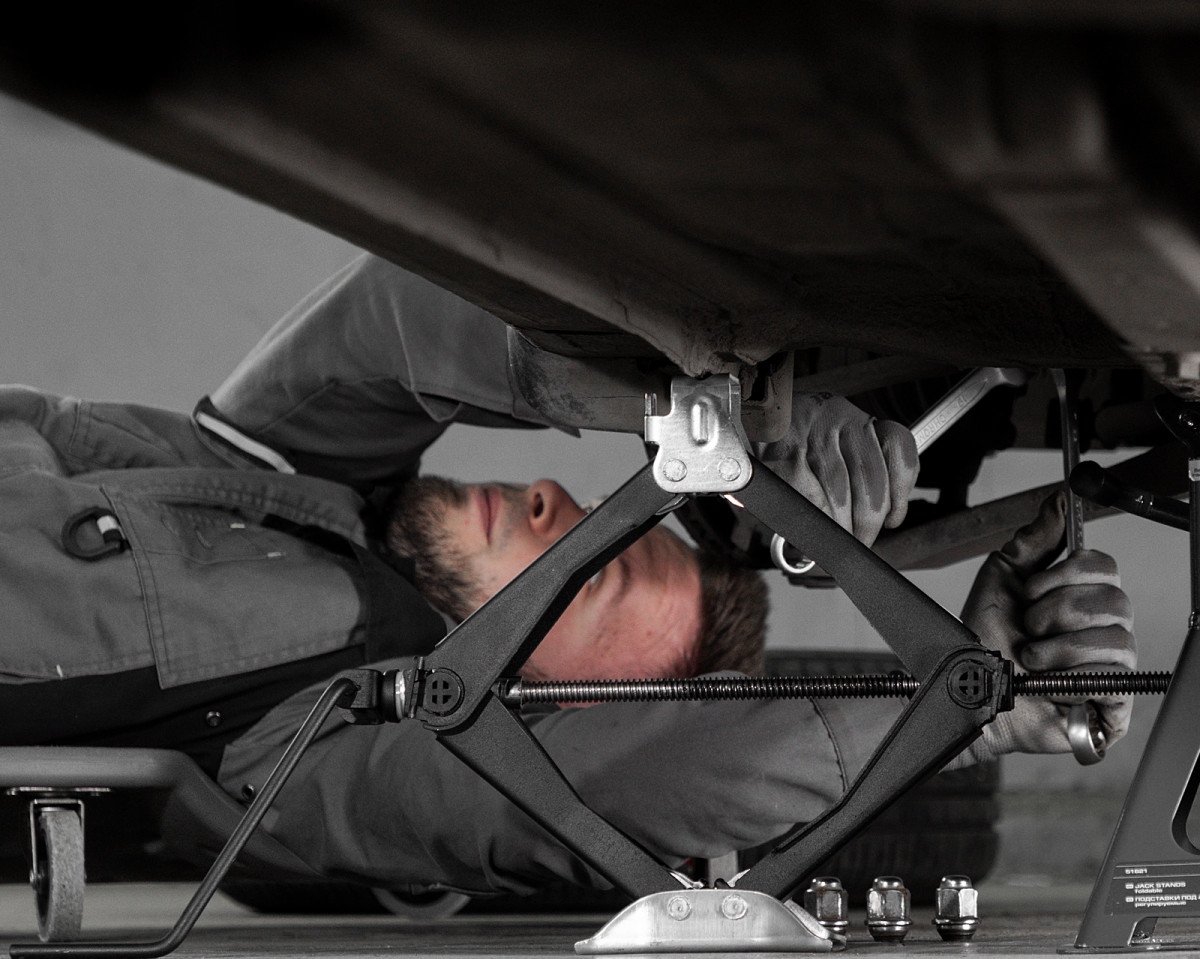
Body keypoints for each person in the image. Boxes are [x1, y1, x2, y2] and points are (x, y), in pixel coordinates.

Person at [0, 255, 1136, 897]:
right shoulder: (301, 476)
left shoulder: (298, 755)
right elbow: (397, 313)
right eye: (601, 519)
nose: (554, 501)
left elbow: (612, 785)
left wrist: (962, 710)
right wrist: (725, 425)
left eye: (585, 576)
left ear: (521, 701)